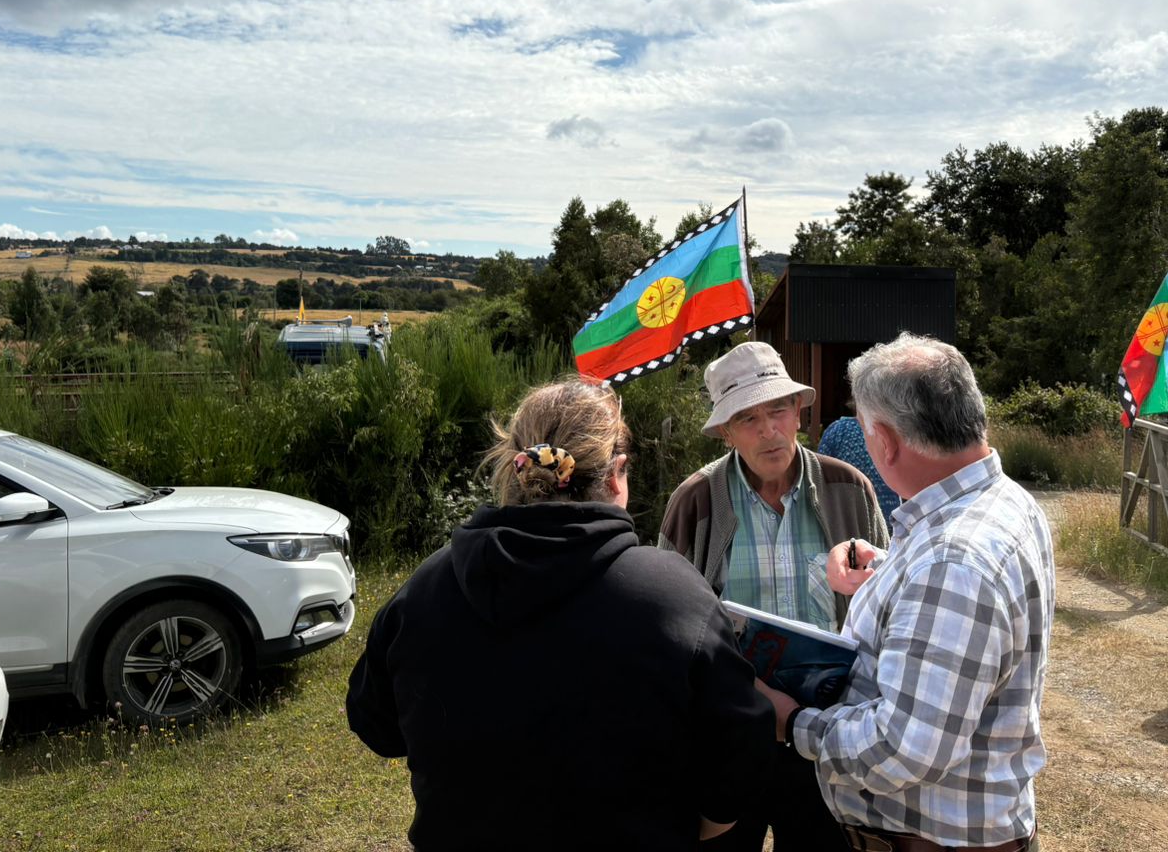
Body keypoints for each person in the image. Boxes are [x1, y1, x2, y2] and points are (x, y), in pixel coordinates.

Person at [346, 376, 774, 851]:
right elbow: (743, 749)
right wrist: (705, 822)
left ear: (517, 466)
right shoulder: (676, 597)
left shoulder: (422, 591)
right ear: (617, 473)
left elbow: (375, 725)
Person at [756, 334, 1054, 852]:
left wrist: (793, 722)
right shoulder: (1002, 500)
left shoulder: (952, 562)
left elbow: (903, 751)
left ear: (885, 442)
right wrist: (890, 567)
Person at [660, 340, 889, 852]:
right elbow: (667, 624)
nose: (769, 430)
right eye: (748, 418)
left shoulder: (850, 488)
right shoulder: (694, 501)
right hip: (728, 733)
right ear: (726, 431)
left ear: (799, 411)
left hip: (829, 732)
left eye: (778, 410)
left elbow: (892, 607)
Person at [816, 414, 899, 524]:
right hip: (886, 519)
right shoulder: (895, 430)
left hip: (852, 521)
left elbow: (816, 478)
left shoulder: (838, 431)